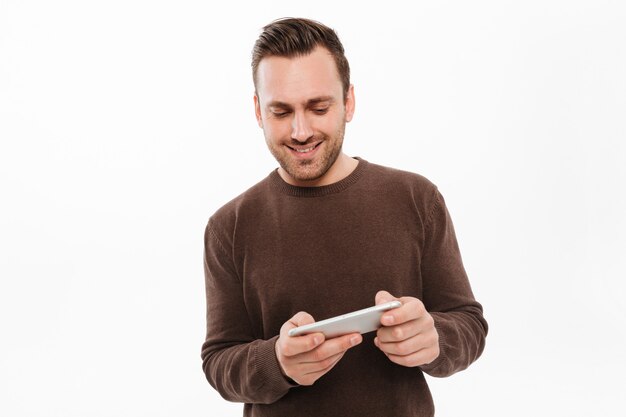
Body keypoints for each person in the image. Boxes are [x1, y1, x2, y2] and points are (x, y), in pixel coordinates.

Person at [201, 17, 488, 417]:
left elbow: (469, 325)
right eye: (281, 111)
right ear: (257, 110)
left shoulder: (416, 198)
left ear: (349, 102)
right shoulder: (228, 227)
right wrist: (278, 362)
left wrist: (435, 339)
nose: (301, 131)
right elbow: (218, 362)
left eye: (319, 107)